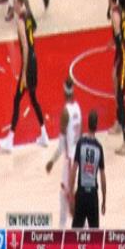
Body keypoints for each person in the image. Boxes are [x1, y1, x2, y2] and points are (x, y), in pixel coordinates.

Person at [0, 0, 49, 152]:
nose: (13, 4)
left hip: (28, 64)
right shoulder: (28, 15)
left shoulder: (20, 22)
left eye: (15, 2)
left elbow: (25, 48)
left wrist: (24, 73)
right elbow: (34, 27)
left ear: (20, 2)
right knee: (33, 98)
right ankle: (44, 134)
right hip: (35, 60)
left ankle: (10, 140)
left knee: (17, 99)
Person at [46, 76, 82, 229]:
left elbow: (61, 146)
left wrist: (51, 161)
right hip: (78, 158)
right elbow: (81, 136)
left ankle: (65, 230)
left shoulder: (65, 113)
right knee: (73, 196)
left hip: (69, 161)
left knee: (66, 196)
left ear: (64, 91)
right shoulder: (78, 108)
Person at [69, 110, 106, 228]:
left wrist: (71, 196)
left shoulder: (81, 143)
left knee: (75, 234)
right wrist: (104, 200)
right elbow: (103, 177)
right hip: (93, 196)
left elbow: (74, 170)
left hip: (81, 194)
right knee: (95, 236)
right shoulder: (99, 147)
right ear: (96, 126)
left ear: (88, 124)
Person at [107, 0, 125, 156]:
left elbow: (119, 40)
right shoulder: (120, 9)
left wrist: (114, 47)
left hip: (124, 54)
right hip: (123, 51)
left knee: (120, 95)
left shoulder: (114, 13)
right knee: (114, 79)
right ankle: (118, 120)